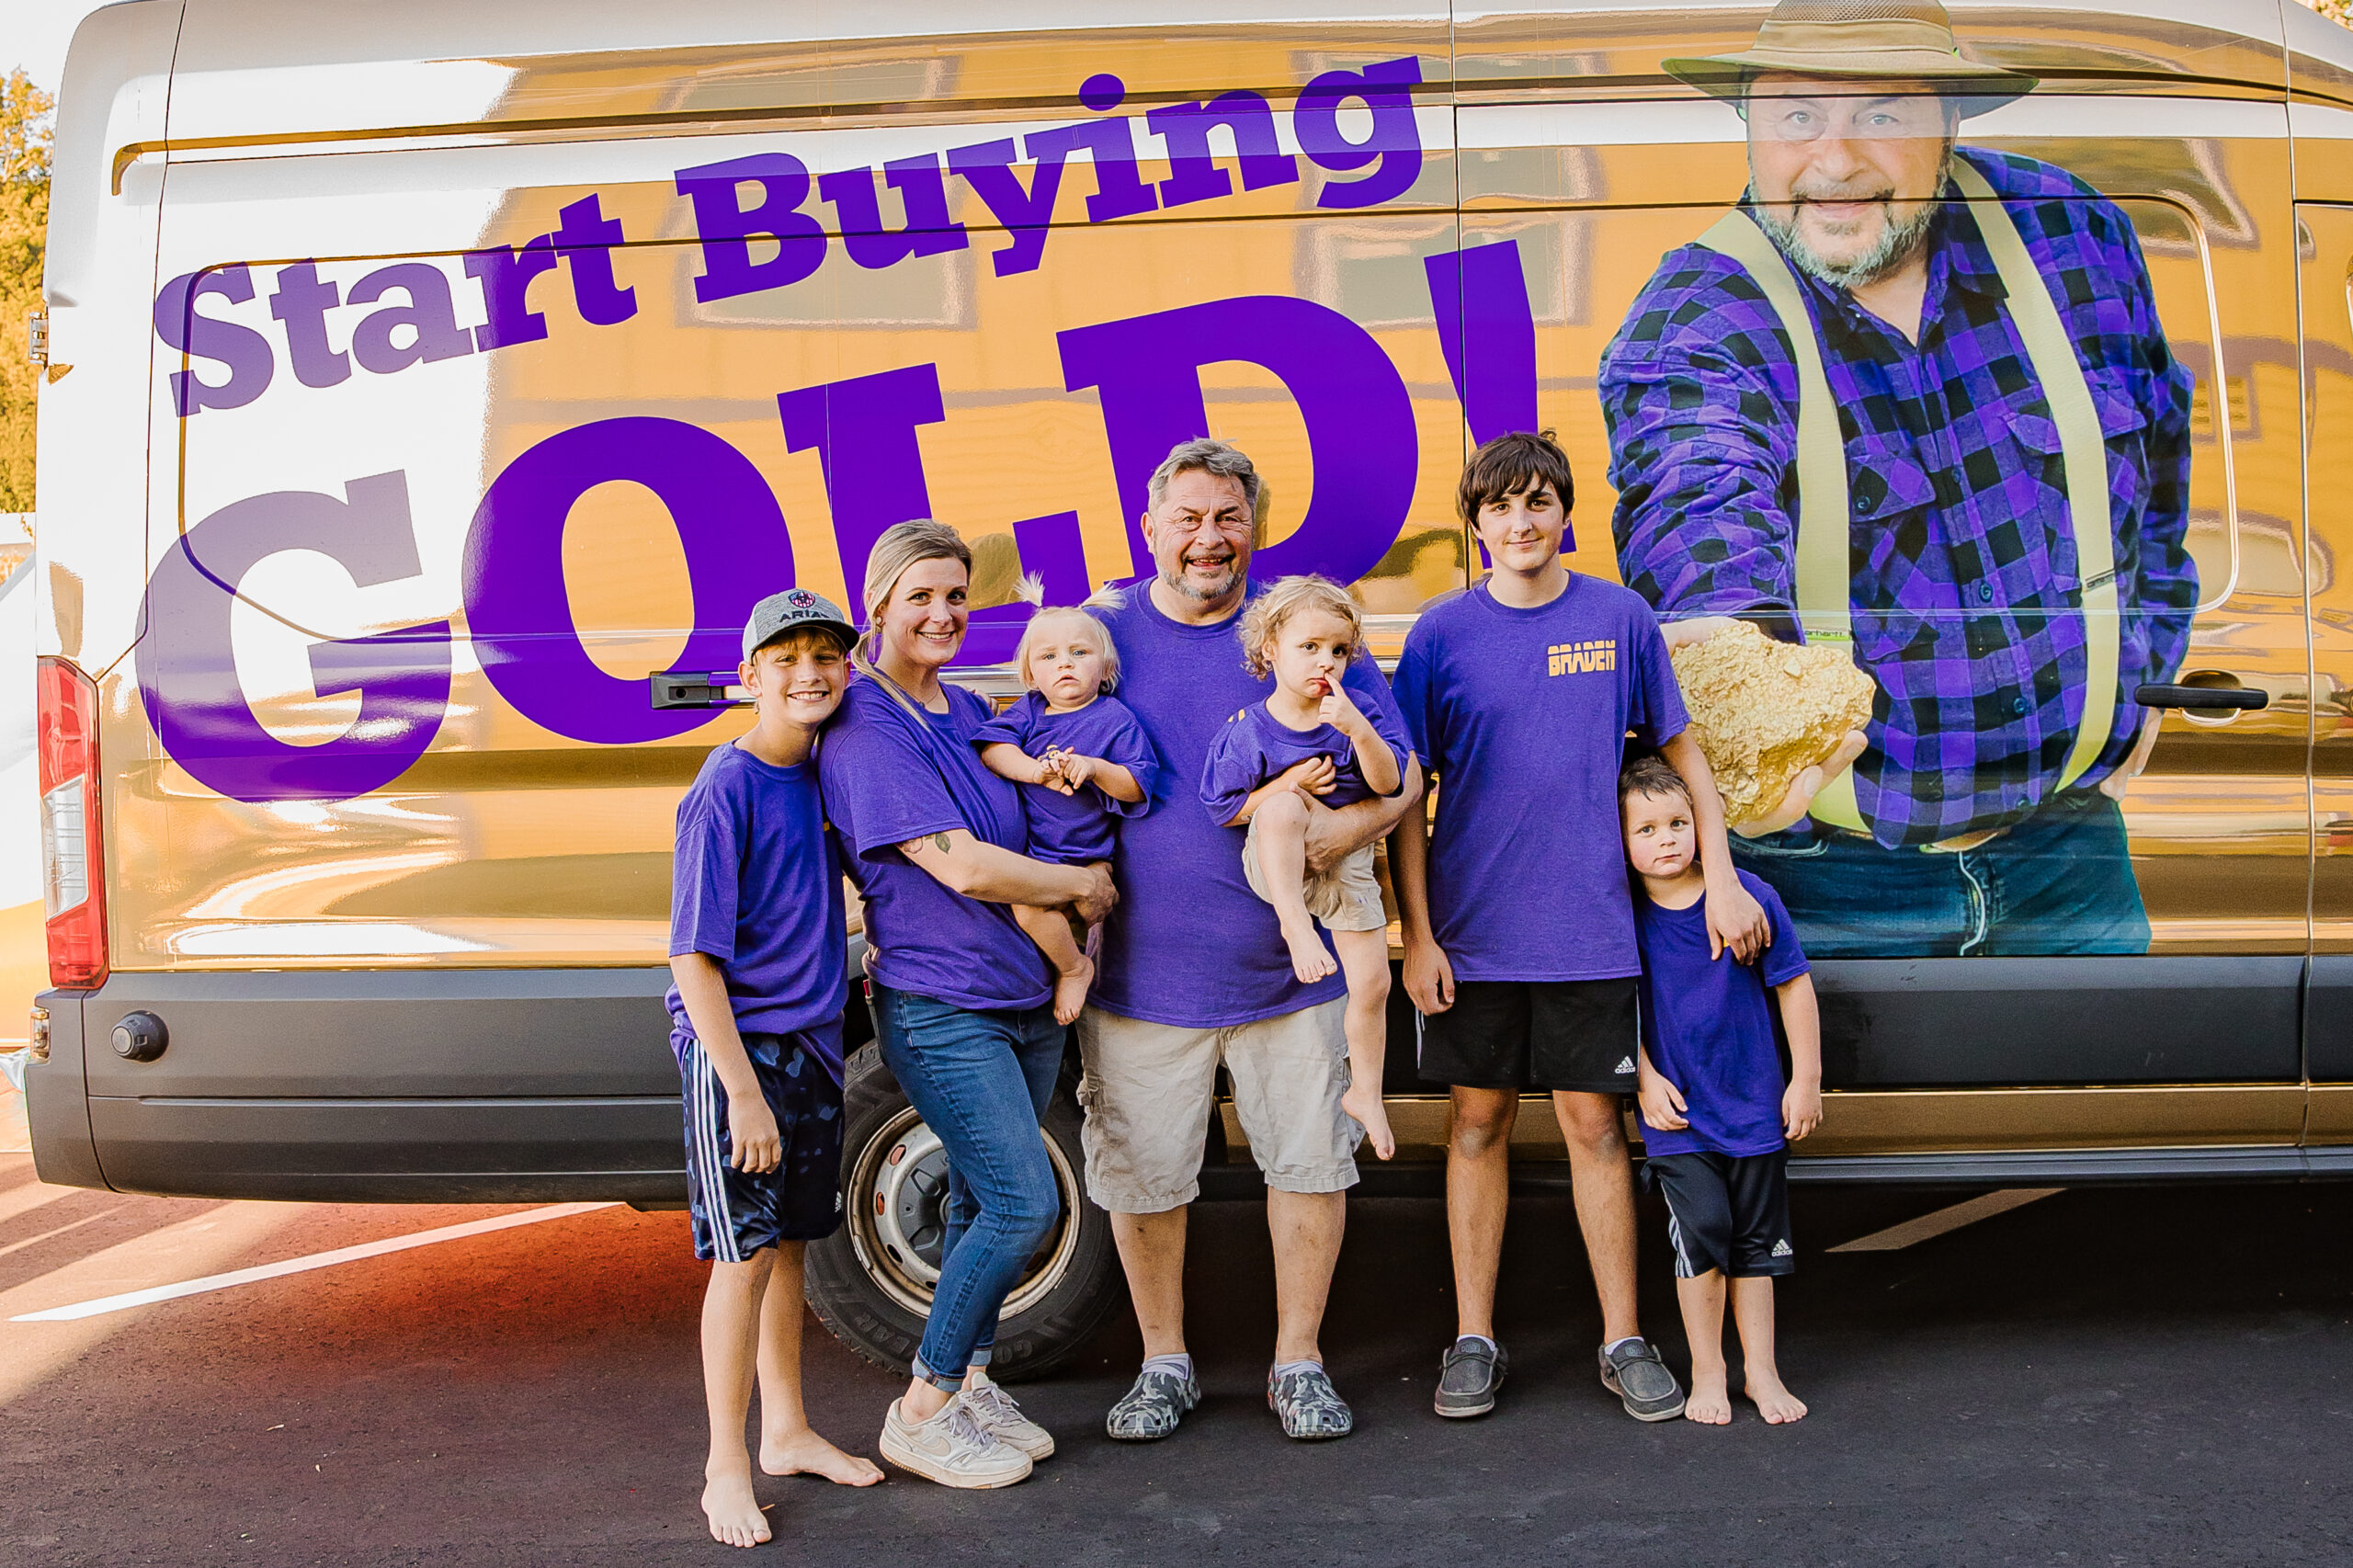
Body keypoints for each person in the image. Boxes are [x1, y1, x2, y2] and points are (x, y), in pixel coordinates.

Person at [1600, 0, 2195, 957]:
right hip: (1831, 889)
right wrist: (1738, 681)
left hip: (2070, 858)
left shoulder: (2072, 233)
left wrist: (2142, 677)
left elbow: (2160, 469)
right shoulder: (1697, 318)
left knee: (2115, 1112)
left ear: (1950, 121)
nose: (1834, 162)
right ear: (1747, 121)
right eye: (1797, 117)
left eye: (1882, 114)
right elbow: (1696, 511)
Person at [1388, 430, 1767, 1424]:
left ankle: (1622, 1337)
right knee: (1476, 1123)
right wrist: (1416, 935)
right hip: (1472, 938)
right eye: (1500, 507)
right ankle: (1473, 1337)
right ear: (1474, 527)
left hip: (1594, 932)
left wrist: (1722, 879)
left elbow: (1684, 758)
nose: (1521, 522)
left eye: (1538, 503)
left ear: (1564, 513)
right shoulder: (1437, 636)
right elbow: (1404, 803)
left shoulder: (1618, 617)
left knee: (1597, 1126)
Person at [1083, 437, 1424, 1443]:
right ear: (1150, 529)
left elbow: (1401, 780)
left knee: (1311, 1168)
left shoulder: (1301, 631)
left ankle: (1298, 1362)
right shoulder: (1103, 637)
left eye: (1227, 517)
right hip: (1143, 974)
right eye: (1186, 518)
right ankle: (1164, 1362)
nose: (1207, 538)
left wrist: (1338, 828)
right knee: (1144, 1178)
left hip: (1297, 973)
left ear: (1256, 528)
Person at [816, 521, 1118, 1488]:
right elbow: (964, 866)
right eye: (921, 596)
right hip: (944, 1005)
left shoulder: (963, 706)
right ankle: (921, 1406)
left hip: (1022, 993)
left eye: (955, 595)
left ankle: (973, 1381)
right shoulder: (867, 724)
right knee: (1026, 1197)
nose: (943, 613)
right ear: (879, 605)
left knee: (986, 1195)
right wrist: (1076, 887)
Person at [665, 588, 884, 1548]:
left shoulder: (818, 776)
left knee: (792, 1242)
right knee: (741, 1255)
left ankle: (787, 1429)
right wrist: (742, 1092)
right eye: (785, 657)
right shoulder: (728, 782)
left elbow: (802, 903)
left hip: (811, 1044)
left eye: (825, 655)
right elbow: (693, 956)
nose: (809, 672)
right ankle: (723, 1463)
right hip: (741, 1055)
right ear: (748, 675)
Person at [1621, 751, 1822, 1426]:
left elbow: (1793, 985)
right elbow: (1617, 1012)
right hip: (1679, 1115)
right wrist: (1643, 1081)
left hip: (1754, 1105)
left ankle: (1759, 1372)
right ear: (1621, 843)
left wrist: (1806, 1080)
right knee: (1703, 1230)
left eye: (1678, 822)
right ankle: (1707, 1370)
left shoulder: (1748, 898)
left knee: (1757, 1246)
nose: (1667, 839)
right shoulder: (1624, 918)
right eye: (1645, 830)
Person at [1199, 574, 1406, 1161]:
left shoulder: (1352, 712)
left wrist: (1358, 729)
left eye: (1339, 651)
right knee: (1285, 805)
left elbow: (1389, 785)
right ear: (1270, 648)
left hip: (1342, 859)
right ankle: (1296, 927)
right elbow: (1224, 809)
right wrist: (1285, 784)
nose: (1327, 663)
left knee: (1372, 983)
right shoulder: (1250, 729)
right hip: (1278, 860)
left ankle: (1366, 1092)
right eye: (1309, 648)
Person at [974, 604, 1163, 1023]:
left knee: (1029, 910)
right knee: (1026, 915)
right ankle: (1059, 971)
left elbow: (1136, 784)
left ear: (1106, 665)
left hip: (1084, 855)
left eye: (1079, 653)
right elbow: (993, 750)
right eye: (1049, 657)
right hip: (1031, 854)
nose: (1065, 664)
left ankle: (1075, 968)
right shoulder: (1030, 710)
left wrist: (1095, 768)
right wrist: (1036, 771)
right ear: (1030, 673)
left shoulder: (1114, 718)